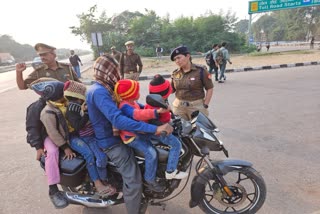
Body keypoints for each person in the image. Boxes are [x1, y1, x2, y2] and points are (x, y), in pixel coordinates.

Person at [85, 54, 173, 214]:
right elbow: (118, 120)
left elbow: (131, 106)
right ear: (107, 71)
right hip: (111, 142)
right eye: (114, 70)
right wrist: (155, 129)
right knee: (133, 179)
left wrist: (155, 112)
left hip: (120, 135)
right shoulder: (99, 92)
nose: (117, 74)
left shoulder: (107, 88)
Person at [114, 79, 188, 192]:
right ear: (130, 95)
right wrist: (156, 112)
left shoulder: (132, 102)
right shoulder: (125, 106)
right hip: (133, 137)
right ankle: (150, 180)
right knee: (151, 153)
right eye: (136, 92)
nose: (139, 93)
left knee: (166, 139)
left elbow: (143, 108)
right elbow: (138, 114)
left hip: (142, 131)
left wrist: (159, 109)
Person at [63, 80, 116, 197]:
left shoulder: (79, 105)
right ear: (79, 95)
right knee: (99, 157)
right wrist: (87, 113)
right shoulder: (73, 109)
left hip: (95, 135)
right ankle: (101, 181)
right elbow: (77, 126)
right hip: (88, 137)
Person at [30, 80, 75, 209]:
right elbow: (33, 128)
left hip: (65, 132)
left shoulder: (63, 101)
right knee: (53, 152)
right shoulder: (40, 109)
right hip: (48, 136)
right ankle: (53, 189)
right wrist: (38, 147)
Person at [170, 46, 214, 121]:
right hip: (179, 107)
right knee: (180, 130)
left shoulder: (201, 71)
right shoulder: (175, 73)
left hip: (196, 106)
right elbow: (171, 90)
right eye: (175, 59)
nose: (177, 61)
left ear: (188, 56)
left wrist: (205, 104)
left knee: (198, 130)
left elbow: (210, 88)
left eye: (179, 58)